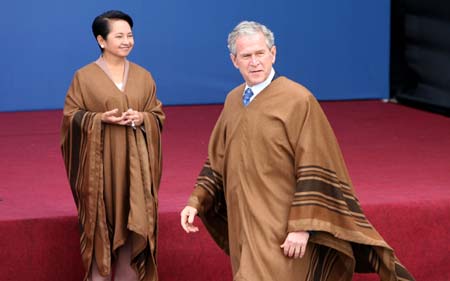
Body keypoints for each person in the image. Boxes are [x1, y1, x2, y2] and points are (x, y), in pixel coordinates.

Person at [180, 21, 414, 281]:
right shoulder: (233, 100)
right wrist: (196, 201)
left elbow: (316, 165)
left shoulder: (298, 100)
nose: (255, 62)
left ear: (274, 54)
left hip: (281, 227)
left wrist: (302, 227)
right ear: (234, 60)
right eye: (246, 56)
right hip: (244, 225)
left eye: (261, 53)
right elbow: (218, 159)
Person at [60, 10, 164, 281]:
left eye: (130, 35)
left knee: (135, 227)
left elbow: (157, 114)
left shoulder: (143, 76)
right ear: (101, 40)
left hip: (135, 168)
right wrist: (98, 119)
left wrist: (142, 117)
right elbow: (71, 117)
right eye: (119, 35)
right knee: (100, 233)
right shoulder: (84, 77)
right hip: (101, 168)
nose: (127, 40)